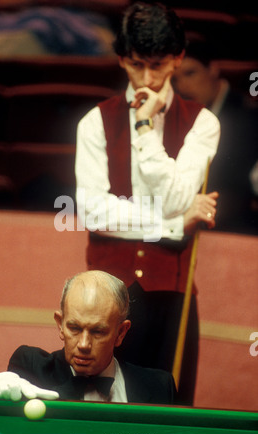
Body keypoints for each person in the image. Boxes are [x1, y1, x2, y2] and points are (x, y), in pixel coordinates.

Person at [75, 2, 220, 405]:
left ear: (177, 59)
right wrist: (174, 224)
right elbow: (94, 212)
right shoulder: (94, 122)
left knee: (168, 412)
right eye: (137, 64)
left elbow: (174, 195)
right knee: (100, 410)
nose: (148, 79)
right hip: (105, 298)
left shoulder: (204, 122)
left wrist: (143, 126)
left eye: (158, 65)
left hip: (171, 298)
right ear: (122, 59)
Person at [0, 270, 177, 404]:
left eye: (98, 331)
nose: (84, 344)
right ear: (60, 324)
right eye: (74, 328)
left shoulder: (159, 386)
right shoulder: (31, 367)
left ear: (121, 332)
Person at [172, 36, 258, 235]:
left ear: (213, 69)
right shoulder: (178, 113)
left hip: (232, 227)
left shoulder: (249, 116)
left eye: (190, 73)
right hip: (186, 222)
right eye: (176, 79)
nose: (183, 86)